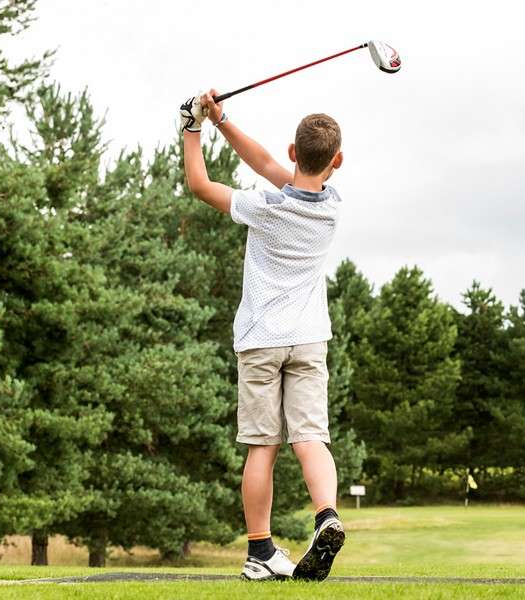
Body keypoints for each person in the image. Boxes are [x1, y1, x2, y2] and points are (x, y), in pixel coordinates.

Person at [178, 91, 345, 581]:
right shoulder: (332, 206)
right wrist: (222, 119)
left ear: (295, 152)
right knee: (311, 437)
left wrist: (192, 126)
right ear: (336, 161)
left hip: (260, 339)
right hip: (309, 339)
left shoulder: (265, 206)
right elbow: (268, 162)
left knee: (262, 446)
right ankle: (326, 516)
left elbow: (201, 185)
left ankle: (260, 551)